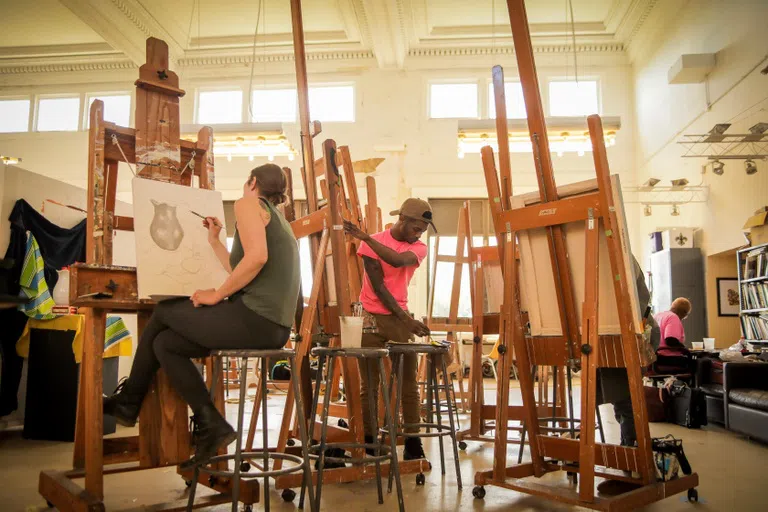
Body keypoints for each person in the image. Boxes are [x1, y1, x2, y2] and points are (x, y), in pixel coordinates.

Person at [103, 164, 300, 467]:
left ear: (253, 183)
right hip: (270, 326)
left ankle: (129, 402)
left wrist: (217, 294)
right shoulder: (278, 221)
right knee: (166, 344)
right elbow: (243, 269)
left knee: (165, 310)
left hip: (257, 319)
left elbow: (257, 258)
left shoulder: (249, 203)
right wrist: (214, 241)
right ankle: (212, 424)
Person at [343, 198, 435, 460]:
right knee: (369, 383)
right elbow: (379, 288)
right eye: (416, 228)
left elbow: (395, 260)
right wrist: (406, 320)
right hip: (371, 317)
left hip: (398, 319)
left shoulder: (418, 248)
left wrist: (404, 320)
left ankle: (413, 441)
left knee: (408, 382)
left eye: (423, 231)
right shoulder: (371, 241)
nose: (419, 235)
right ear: (403, 220)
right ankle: (371, 440)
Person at [596, 256, 659, 495]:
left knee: (625, 401)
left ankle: (631, 461)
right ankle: (629, 458)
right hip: (604, 336)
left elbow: (638, 303)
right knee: (619, 400)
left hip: (628, 335)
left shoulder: (616, 250)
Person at [653, 297, 693, 373]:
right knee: (698, 363)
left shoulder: (657, 316)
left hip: (655, 358)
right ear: (684, 313)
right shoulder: (673, 317)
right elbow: (670, 340)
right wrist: (684, 348)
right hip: (666, 358)